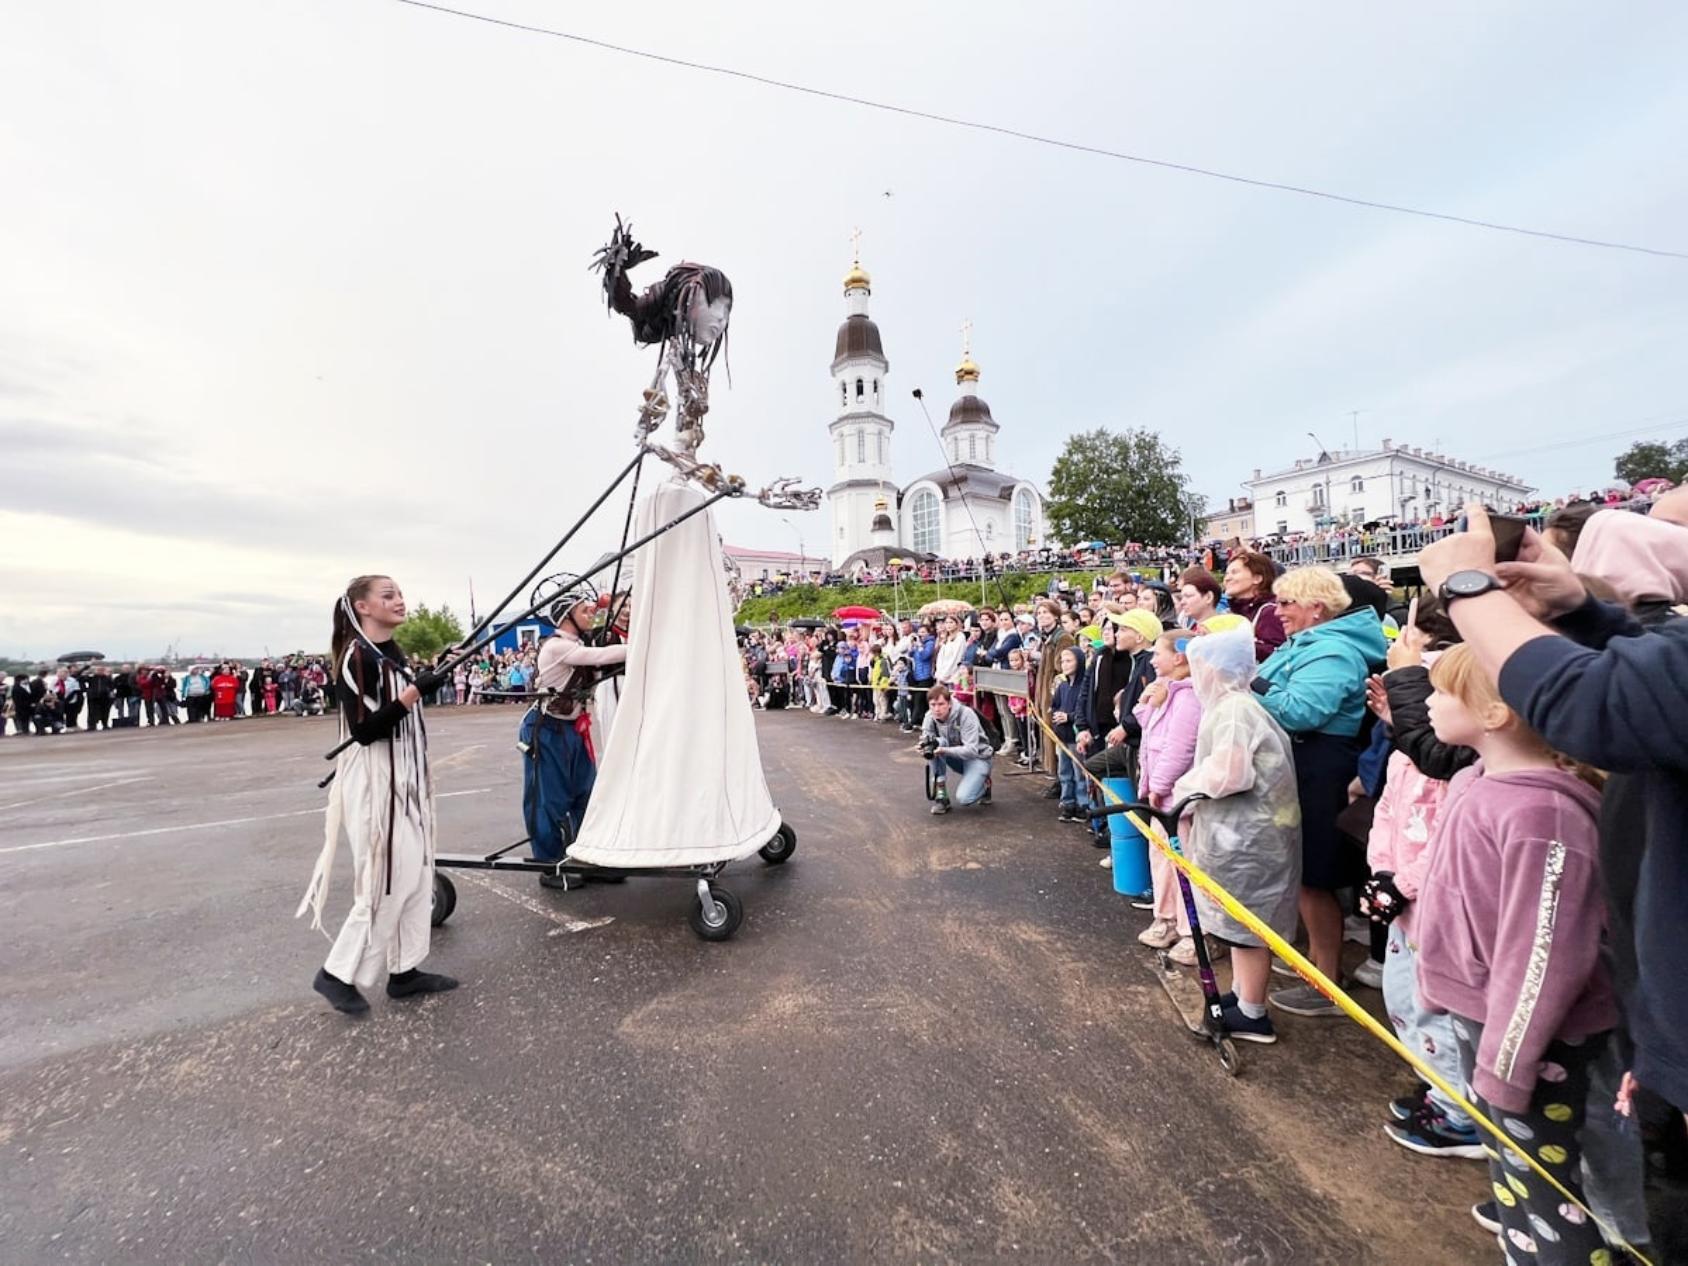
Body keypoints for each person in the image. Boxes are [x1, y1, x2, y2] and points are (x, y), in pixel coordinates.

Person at [1419, 503, 1688, 1150]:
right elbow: (1660, 675)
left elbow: (1599, 705)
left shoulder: (1541, 812)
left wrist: (1467, 589)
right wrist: (1580, 612)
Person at [1413, 644, 1612, 1261]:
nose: (1427, 701)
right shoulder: (1476, 780)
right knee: (1510, 1167)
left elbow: (1544, 958)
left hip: (1533, 1036)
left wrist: (1506, 1063)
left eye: (1443, 692)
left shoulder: (1542, 813)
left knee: (1549, 1190)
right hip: (1489, 1018)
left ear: (1495, 713)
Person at [298, 575, 456, 1013]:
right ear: (362, 607)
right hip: (374, 776)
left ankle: (404, 971)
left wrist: (433, 675)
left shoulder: (390, 652)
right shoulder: (356, 656)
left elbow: (406, 698)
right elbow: (366, 731)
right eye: (388, 596)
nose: (400, 601)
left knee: (417, 873)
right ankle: (335, 974)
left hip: (405, 773)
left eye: (401, 593)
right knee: (386, 878)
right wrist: (412, 694)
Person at [1252, 566, 1387, 1016]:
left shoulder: (1334, 652)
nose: (1279, 611)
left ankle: (1328, 981)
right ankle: (1317, 965)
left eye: (1287, 602)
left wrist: (1249, 683)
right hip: (1305, 766)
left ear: (1317, 607)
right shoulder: (1310, 644)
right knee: (1306, 874)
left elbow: (1300, 711)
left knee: (1316, 877)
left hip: (1322, 769)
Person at [1171, 627, 1302, 1045]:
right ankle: (1246, 1000)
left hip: (1247, 838)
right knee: (1240, 929)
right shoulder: (1236, 707)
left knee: (1248, 927)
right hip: (1240, 834)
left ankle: (1255, 1012)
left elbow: (1230, 773)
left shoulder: (1234, 710)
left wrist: (1183, 790)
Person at [522, 586, 628, 886]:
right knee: (549, 799)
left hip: (573, 729)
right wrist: (640, 646)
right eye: (584, 610)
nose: (590, 614)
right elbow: (599, 655)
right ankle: (549, 863)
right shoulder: (557, 647)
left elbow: (605, 659)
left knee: (587, 794)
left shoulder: (578, 643)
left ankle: (588, 855)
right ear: (566, 616)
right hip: (545, 729)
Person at [1133, 631, 1203, 958]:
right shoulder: (1169, 691)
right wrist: (1146, 704)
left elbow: (1179, 749)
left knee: (1183, 863)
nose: (1152, 659)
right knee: (1161, 859)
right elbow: (1152, 735)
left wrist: (1158, 786)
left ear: (1178, 657)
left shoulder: (1189, 697)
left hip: (1175, 798)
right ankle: (1166, 918)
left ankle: (1192, 931)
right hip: (1160, 794)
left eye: (1158, 653)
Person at [921, 683, 994, 815]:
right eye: (933, 705)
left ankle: (985, 783)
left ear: (949, 703)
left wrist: (944, 750)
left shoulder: (966, 714)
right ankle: (941, 795)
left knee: (965, 798)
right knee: (936, 744)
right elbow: (927, 740)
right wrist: (924, 747)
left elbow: (972, 750)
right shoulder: (929, 717)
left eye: (941, 704)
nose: (937, 709)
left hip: (978, 757)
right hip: (956, 756)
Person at [1049, 645, 1091, 822]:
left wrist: (1069, 717)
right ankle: (1068, 803)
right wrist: (1055, 714)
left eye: (1069, 660)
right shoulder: (1063, 686)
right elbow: (1055, 704)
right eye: (1063, 661)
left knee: (1079, 772)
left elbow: (1086, 711)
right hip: (1062, 736)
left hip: (1075, 736)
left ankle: (1083, 805)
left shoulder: (1084, 686)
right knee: (1064, 771)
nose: (1065, 664)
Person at [1222, 551, 1287, 662]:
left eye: (1235, 572)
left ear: (1257, 578)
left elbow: (1279, 655)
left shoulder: (1270, 611)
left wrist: (1235, 642)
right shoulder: (1234, 611)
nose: (1227, 578)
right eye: (1227, 573)